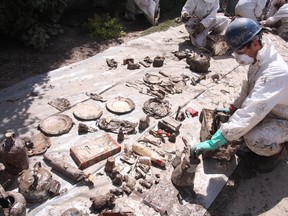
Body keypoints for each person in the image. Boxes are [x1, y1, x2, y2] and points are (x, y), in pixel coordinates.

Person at [191, 17, 288, 173]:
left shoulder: (274, 73)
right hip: (271, 108)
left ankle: (279, 151)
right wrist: (233, 108)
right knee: (240, 127)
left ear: (255, 43)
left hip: (283, 117)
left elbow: (253, 110)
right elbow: (249, 88)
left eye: (239, 51)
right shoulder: (259, 58)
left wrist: (217, 139)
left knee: (253, 139)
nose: (236, 56)